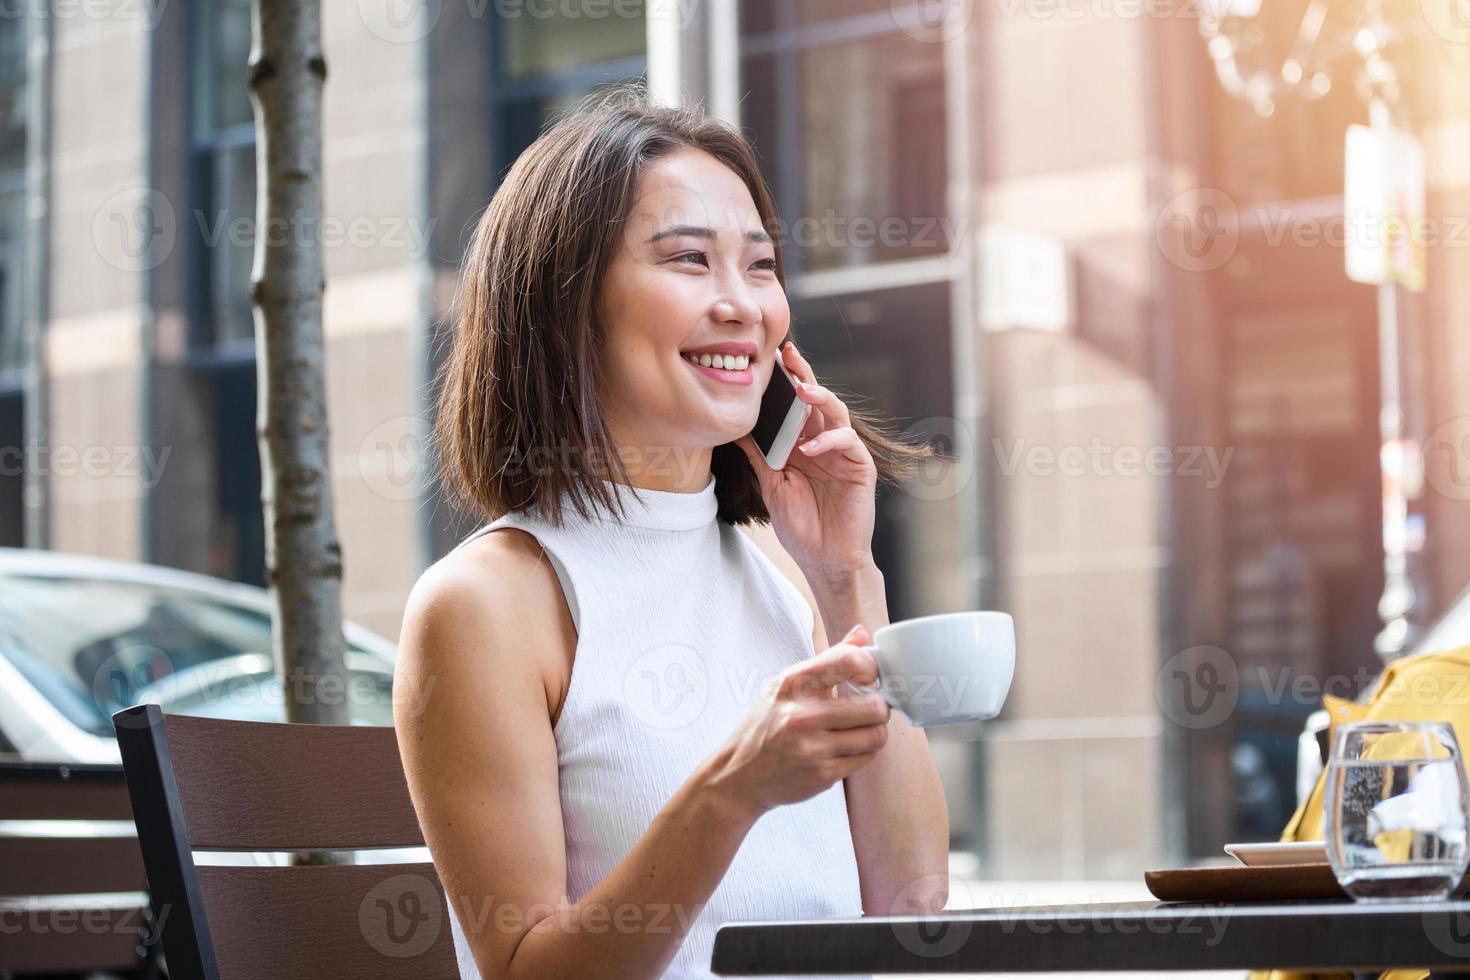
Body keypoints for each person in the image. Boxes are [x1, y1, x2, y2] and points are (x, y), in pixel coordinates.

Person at [394, 85, 950, 980]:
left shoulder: (788, 569)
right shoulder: (486, 604)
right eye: (689, 260)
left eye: (760, 266)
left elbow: (911, 909)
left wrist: (850, 578)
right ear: (564, 302)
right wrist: (731, 793)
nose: (742, 306)